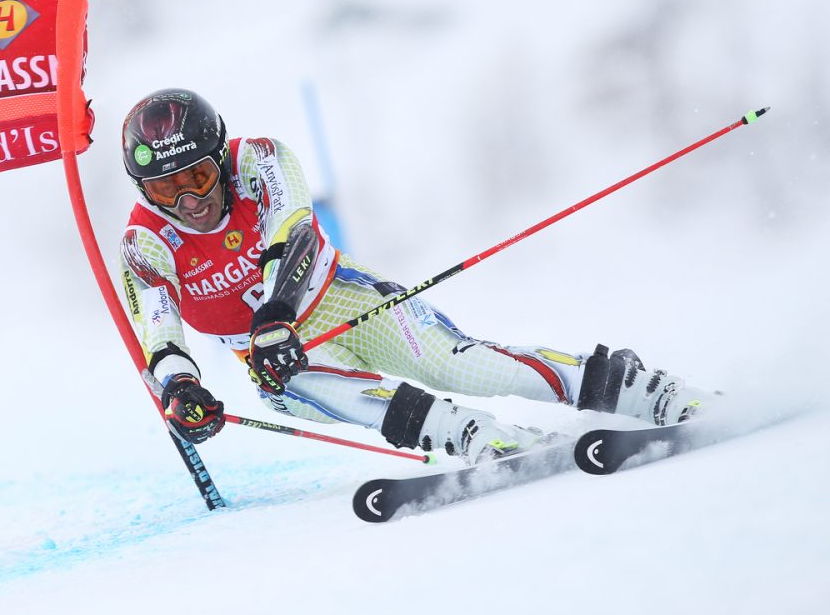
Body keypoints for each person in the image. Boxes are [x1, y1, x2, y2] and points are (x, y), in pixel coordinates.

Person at [118, 88, 719, 465]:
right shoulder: (145, 240)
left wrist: (276, 312)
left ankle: (641, 389)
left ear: (219, 158)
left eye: (195, 177)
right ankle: (473, 436)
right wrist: (180, 390)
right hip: (271, 353)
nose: (187, 200)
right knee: (303, 385)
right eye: (164, 187)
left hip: (335, 297)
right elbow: (161, 332)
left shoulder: (261, 161)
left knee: (455, 363)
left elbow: (293, 235)